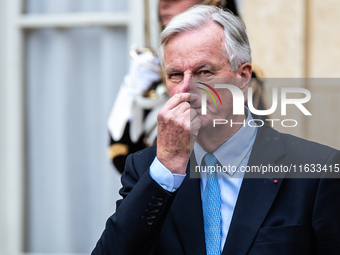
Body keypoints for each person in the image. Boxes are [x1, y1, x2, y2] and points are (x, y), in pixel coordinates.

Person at [93, 6, 340, 255]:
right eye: (176, 75)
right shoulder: (147, 168)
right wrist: (167, 169)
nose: (187, 89)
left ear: (243, 77)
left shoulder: (316, 171)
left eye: (204, 72)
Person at [107, 0, 258, 174]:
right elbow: (123, 158)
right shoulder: (154, 73)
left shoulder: (240, 76)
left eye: (205, 72)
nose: (164, 4)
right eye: (175, 74)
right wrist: (130, 95)